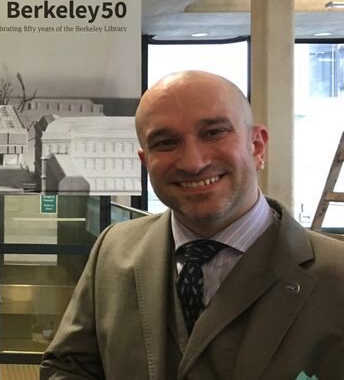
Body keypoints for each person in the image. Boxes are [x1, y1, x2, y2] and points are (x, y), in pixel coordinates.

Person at [40, 71, 344, 379]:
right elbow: (70, 366)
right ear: (146, 162)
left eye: (213, 133)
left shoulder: (336, 275)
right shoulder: (114, 249)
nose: (192, 163)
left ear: (257, 146)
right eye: (166, 142)